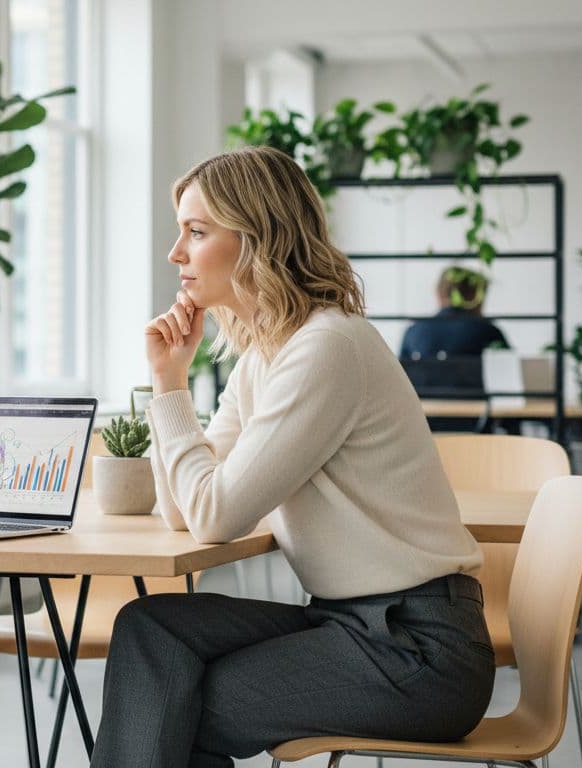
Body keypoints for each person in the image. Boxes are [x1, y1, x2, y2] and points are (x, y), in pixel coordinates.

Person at [90, 146, 492, 768]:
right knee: (152, 628)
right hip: (349, 626)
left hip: (419, 650)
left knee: (176, 698)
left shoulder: (326, 348)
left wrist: (170, 390)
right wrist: (169, 374)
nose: (176, 254)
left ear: (257, 239)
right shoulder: (264, 358)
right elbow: (182, 511)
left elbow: (214, 516)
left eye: (196, 232)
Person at [400, 266, 509, 360]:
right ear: (475, 297)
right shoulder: (489, 332)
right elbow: (508, 375)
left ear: (438, 293)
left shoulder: (412, 332)